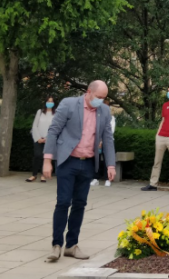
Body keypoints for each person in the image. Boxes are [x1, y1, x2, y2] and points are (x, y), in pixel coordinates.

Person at [43, 80, 115, 262]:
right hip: (68, 161)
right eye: (99, 97)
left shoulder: (104, 111)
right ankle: (56, 245)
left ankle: (71, 245)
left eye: (104, 98)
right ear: (88, 92)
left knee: (80, 204)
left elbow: (108, 138)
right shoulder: (69, 104)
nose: (101, 101)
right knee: (63, 202)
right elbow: (53, 131)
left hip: (88, 163)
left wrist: (111, 165)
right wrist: (47, 160)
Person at [141, 85, 169, 195]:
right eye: (168, 91)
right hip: (161, 136)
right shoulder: (165, 105)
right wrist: (157, 134)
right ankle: (153, 184)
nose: (168, 93)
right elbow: (163, 120)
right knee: (157, 161)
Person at [27, 96, 56, 182]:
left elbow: (55, 127)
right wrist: (38, 138)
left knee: (46, 157)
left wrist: (48, 138)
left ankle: (43, 175)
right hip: (38, 138)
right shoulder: (40, 112)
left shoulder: (56, 113)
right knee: (37, 155)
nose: (49, 103)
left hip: (49, 139)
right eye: (48, 101)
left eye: (51, 101)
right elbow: (35, 125)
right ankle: (34, 174)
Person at [91, 99, 117, 187]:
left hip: (106, 142)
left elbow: (110, 131)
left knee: (107, 159)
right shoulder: (95, 116)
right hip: (97, 142)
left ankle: (107, 178)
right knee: (96, 159)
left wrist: (102, 140)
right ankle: (96, 178)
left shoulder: (111, 118)